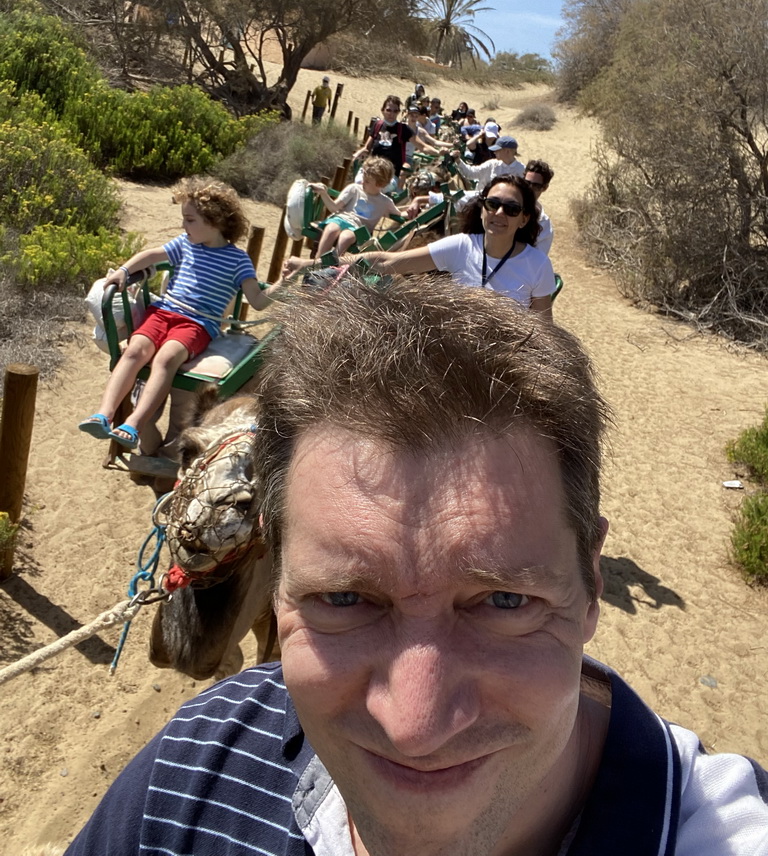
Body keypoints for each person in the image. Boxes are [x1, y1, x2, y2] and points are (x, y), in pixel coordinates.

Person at [64, 276, 768, 856]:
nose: (416, 726)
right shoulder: (190, 773)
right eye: (344, 597)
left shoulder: (725, 833)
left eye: (502, 601)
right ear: (278, 581)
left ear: (591, 587)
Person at [78, 178, 277, 450]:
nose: (184, 225)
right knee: (135, 349)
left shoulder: (238, 260)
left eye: (190, 219)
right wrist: (124, 270)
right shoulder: (185, 244)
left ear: (215, 220)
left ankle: (133, 424)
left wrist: (285, 282)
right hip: (163, 312)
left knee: (166, 358)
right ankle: (104, 414)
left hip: (197, 322)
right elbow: (151, 255)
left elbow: (257, 300)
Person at [366, 174, 556, 317]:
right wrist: (341, 264)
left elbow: (544, 330)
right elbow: (388, 261)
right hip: (458, 351)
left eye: (512, 209)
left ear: (524, 219)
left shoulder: (537, 265)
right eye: (492, 204)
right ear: (482, 209)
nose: (499, 213)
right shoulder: (461, 247)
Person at [308, 156, 403, 257]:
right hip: (341, 218)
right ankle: (318, 260)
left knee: (346, 237)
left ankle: (333, 262)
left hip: (357, 228)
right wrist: (323, 193)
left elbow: (399, 214)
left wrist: (411, 212)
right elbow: (334, 207)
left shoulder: (385, 202)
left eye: (367, 181)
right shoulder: (354, 189)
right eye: (363, 179)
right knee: (331, 229)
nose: (362, 182)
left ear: (380, 184)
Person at [354, 96, 413, 180]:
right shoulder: (378, 125)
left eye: (395, 111)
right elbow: (367, 148)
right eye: (388, 110)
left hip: (389, 175)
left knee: (379, 186)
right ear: (383, 110)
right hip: (372, 169)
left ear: (398, 112)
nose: (391, 113)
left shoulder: (403, 129)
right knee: (359, 181)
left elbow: (423, 146)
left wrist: (436, 150)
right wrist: (357, 154)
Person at [452, 134, 525, 191]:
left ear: (507, 151)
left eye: (498, 150)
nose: (494, 152)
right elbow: (470, 173)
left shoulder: (521, 170)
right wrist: (458, 160)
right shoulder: (491, 164)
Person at [524, 158, 555, 254]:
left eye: (536, 186)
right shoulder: (505, 206)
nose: (530, 188)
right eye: (527, 183)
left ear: (544, 188)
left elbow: (537, 259)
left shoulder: (544, 224)